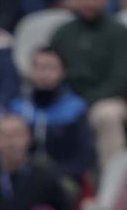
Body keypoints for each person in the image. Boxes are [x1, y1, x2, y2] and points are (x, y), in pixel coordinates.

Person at [50, 0, 127, 166]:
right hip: (68, 98)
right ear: (74, 0)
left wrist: (87, 101)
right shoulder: (63, 32)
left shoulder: (119, 32)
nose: (89, 4)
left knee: (107, 115)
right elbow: (53, 68)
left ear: (105, 0)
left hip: (108, 99)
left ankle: (112, 175)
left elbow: (120, 78)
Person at [7, 48, 96, 185]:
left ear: (63, 72)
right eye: (39, 68)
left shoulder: (75, 109)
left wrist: (54, 175)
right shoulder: (18, 107)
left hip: (63, 178)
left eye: (51, 68)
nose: (44, 74)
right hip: (23, 178)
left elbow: (84, 156)